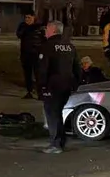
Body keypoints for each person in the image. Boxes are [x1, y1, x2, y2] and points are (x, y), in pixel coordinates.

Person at [38, 21, 79, 154]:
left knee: (52, 115)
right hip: (67, 86)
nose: (45, 31)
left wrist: (42, 87)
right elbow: (77, 68)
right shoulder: (70, 46)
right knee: (59, 113)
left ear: (53, 30)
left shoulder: (47, 46)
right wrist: (76, 84)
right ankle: (60, 141)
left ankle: (56, 144)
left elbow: (42, 69)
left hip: (52, 86)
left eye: (47, 28)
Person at [16, 12, 45, 99]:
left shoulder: (39, 27)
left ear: (33, 17)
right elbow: (19, 35)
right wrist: (25, 28)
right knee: (27, 74)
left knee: (38, 74)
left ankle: (40, 93)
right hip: (26, 54)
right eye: (26, 17)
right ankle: (29, 91)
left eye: (29, 17)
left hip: (36, 54)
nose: (27, 19)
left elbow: (44, 40)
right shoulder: (22, 26)